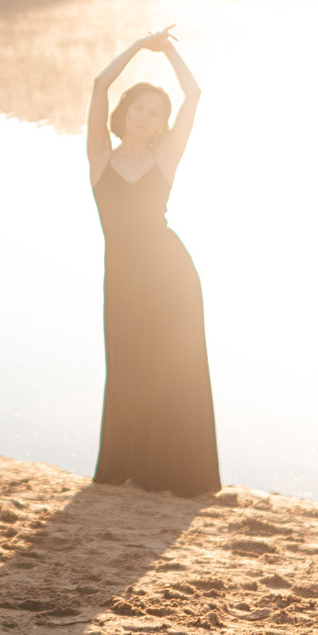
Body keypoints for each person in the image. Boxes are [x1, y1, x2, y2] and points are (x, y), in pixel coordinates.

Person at [85, 26, 220, 497]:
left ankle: (177, 476)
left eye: (155, 113)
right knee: (126, 368)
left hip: (170, 278)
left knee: (172, 370)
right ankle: (128, 467)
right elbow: (100, 84)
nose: (145, 117)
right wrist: (139, 47)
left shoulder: (165, 159)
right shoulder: (100, 156)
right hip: (122, 279)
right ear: (125, 114)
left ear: (162, 122)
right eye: (139, 108)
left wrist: (170, 55)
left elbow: (195, 93)